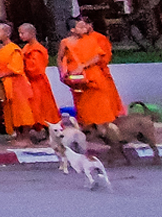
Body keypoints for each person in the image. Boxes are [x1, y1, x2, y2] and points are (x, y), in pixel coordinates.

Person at [62, 15, 122, 145]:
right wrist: (62, 73)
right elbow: (61, 58)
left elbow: (99, 56)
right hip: (78, 80)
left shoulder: (92, 40)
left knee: (101, 109)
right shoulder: (65, 42)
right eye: (81, 26)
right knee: (84, 108)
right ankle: (89, 133)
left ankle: (107, 135)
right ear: (72, 30)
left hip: (94, 76)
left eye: (85, 25)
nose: (84, 28)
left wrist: (83, 66)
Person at [0, 21, 38, 145]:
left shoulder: (14, 49)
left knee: (22, 112)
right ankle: (18, 136)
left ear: (7, 33)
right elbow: (0, 66)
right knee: (12, 112)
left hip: (18, 85)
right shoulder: (2, 49)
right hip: (7, 85)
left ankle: (26, 138)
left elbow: (17, 68)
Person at [18, 23, 60, 127]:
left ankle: (46, 128)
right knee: (32, 107)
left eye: (23, 33)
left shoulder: (38, 49)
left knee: (41, 106)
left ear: (32, 33)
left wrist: (22, 64)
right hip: (29, 83)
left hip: (38, 83)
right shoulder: (27, 47)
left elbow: (36, 69)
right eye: (19, 33)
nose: (20, 35)